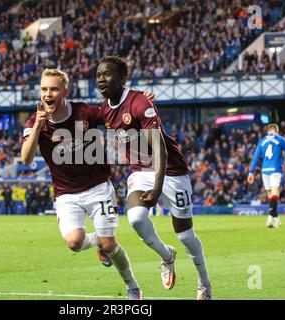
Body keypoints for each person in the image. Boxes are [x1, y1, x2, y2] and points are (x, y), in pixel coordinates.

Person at [95, 55, 212, 300]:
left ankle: (204, 284)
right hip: (141, 171)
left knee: (186, 236)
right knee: (136, 218)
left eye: (107, 74)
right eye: (98, 75)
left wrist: (158, 188)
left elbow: (161, 150)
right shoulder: (105, 110)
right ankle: (166, 255)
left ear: (122, 79)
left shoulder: (139, 103)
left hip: (171, 170)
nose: (101, 79)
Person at [21, 68, 142, 300]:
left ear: (65, 91)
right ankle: (95, 240)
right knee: (74, 242)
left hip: (98, 187)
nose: (48, 93)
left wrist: (138, 102)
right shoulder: (33, 122)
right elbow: (26, 159)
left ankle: (132, 287)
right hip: (66, 193)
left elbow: (113, 115)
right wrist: (37, 126)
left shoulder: (83, 111)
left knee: (110, 245)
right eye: (44, 89)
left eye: (54, 89)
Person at [247, 123, 285, 228]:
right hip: (275, 169)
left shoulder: (262, 141)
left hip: (265, 170)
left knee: (270, 195)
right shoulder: (280, 139)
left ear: (268, 131)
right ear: (277, 131)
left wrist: (251, 172)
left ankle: (276, 220)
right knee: (275, 193)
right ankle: (270, 218)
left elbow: (255, 158)